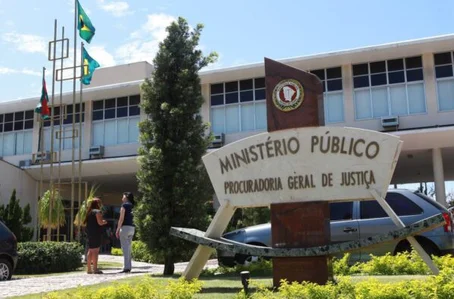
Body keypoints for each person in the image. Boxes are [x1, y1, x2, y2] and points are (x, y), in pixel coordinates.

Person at [83, 197, 108, 274]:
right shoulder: (97, 211)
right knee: (95, 251)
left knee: (90, 251)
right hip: (96, 233)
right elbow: (100, 222)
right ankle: (95, 269)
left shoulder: (89, 212)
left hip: (89, 233)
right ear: (98, 204)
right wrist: (104, 222)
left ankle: (89, 269)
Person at [116, 192, 135, 273]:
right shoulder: (133, 206)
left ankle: (126, 267)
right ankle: (128, 266)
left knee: (125, 248)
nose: (122, 198)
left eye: (123, 196)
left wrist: (117, 229)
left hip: (125, 228)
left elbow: (121, 218)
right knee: (129, 248)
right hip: (132, 228)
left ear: (126, 197)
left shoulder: (124, 205)